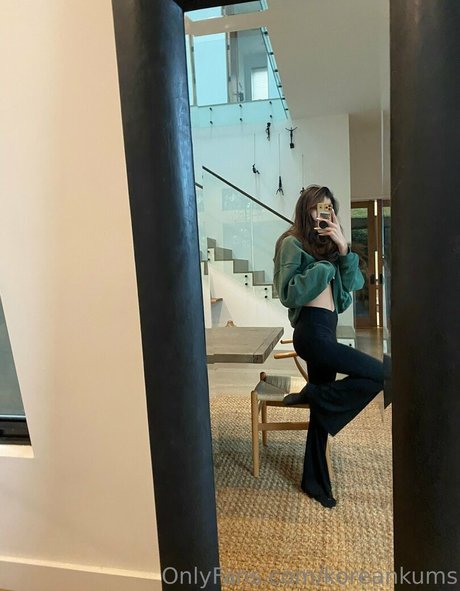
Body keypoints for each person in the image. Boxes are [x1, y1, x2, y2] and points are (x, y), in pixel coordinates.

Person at [273, 185, 385, 508]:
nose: (323, 214)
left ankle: (314, 482)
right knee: (382, 373)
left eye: (328, 208)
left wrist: (344, 248)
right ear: (306, 210)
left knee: (320, 416)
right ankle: (316, 394)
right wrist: (323, 269)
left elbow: (354, 285)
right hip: (310, 333)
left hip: (328, 331)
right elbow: (288, 293)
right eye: (317, 208)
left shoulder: (333, 246)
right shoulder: (292, 243)